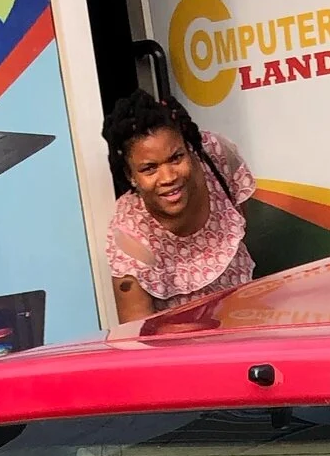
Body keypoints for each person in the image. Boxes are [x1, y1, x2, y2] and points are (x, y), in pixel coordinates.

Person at [102, 91, 256, 322]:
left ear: (189, 148)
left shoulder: (216, 157)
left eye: (176, 158)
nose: (168, 177)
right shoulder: (130, 239)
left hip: (247, 313)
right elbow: (137, 337)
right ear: (130, 175)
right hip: (183, 347)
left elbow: (243, 222)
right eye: (149, 168)